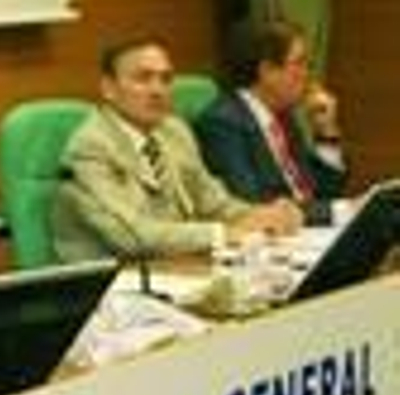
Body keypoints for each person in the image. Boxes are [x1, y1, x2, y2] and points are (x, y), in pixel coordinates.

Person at [53, 36, 302, 263]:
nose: (157, 90)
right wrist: (223, 233)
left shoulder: (173, 131)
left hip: (181, 265)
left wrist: (263, 216)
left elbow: (213, 202)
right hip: (114, 282)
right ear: (109, 88)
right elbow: (133, 236)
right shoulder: (91, 147)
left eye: (166, 79)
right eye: (143, 78)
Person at [194, 18, 348, 225]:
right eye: (300, 63)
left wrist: (326, 130)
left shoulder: (283, 117)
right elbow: (253, 204)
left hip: (306, 233)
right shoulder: (222, 124)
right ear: (267, 71)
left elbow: (325, 193)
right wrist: (340, 211)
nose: (307, 75)